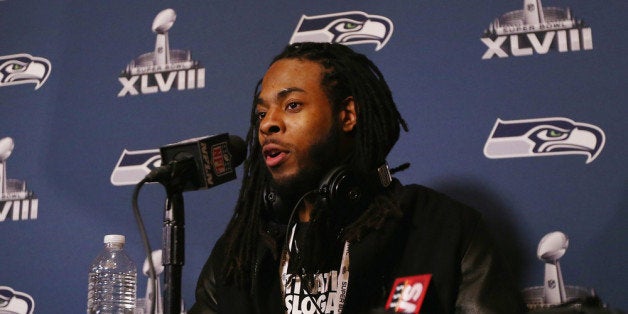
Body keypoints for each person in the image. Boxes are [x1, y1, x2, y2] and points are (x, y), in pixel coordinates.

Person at [189, 42, 524, 313]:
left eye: (292, 105)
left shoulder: (443, 229)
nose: (267, 124)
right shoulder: (240, 253)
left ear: (347, 115)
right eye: (262, 113)